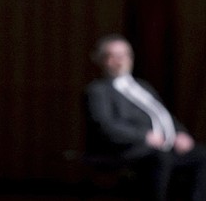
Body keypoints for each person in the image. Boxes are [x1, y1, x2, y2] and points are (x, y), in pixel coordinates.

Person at [84, 33, 206, 200]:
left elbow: (162, 114)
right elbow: (105, 125)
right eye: (115, 56)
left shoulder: (142, 86)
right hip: (129, 149)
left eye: (125, 55)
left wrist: (180, 133)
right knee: (160, 158)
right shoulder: (98, 90)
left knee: (201, 155)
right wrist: (144, 136)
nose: (121, 60)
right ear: (102, 59)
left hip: (163, 146)